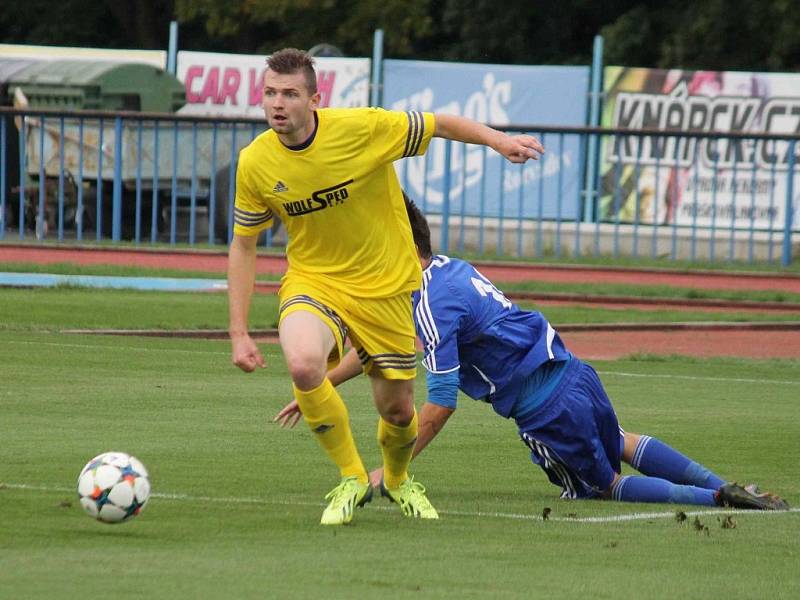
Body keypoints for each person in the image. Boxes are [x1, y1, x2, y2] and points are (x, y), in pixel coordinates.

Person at [275, 196, 790, 512]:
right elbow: (375, 348)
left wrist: (388, 474)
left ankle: (718, 499)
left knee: (604, 488)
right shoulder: (451, 270)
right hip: (575, 373)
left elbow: (441, 403)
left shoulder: (427, 302)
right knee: (620, 439)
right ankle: (725, 484)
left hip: (545, 409)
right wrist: (321, 384)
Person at [228, 48, 545, 526]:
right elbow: (244, 245)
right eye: (270, 92)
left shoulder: (362, 129)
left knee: (397, 412)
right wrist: (238, 332)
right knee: (302, 362)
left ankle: (396, 479)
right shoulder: (254, 162)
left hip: (386, 288)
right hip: (315, 282)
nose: (278, 103)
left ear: (315, 99)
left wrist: (498, 141)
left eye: (290, 93)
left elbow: (438, 123)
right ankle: (353, 477)